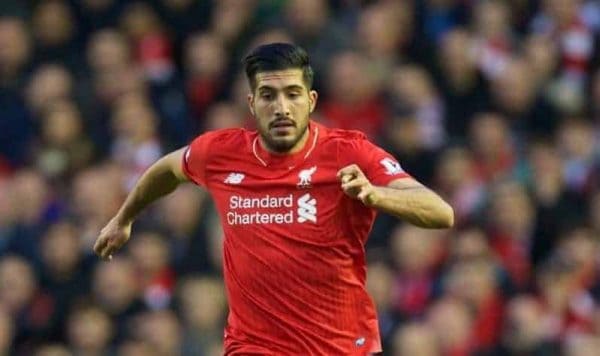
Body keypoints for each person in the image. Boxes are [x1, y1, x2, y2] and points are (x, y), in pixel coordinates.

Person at [93, 43, 454, 355]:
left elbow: (441, 212)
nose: (281, 107)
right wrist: (124, 218)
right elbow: (167, 170)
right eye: (268, 95)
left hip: (338, 345)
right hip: (252, 347)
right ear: (252, 103)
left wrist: (379, 195)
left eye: (293, 94)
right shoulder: (219, 153)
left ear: (310, 100)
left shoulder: (350, 152)